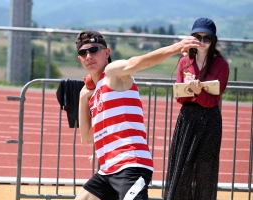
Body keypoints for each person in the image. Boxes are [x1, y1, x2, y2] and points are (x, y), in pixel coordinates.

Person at [75, 29, 202, 200]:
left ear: (107, 52)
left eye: (94, 50)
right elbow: (87, 139)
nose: (89, 56)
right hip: (107, 171)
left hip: (130, 165)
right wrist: (83, 98)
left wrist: (177, 47)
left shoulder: (113, 73)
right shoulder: (95, 94)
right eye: (83, 53)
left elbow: (142, 62)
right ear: (80, 59)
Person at [164, 18, 230, 200]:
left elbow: (213, 99)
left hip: (209, 120)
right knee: (181, 167)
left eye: (206, 38)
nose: (201, 42)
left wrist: (196, 91)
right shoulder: (184, 62)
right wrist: (194, 91)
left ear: (213, 40)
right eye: (197, 37)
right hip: (187, 118)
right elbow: (179, 96)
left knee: (204, 171)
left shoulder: (221, 64)